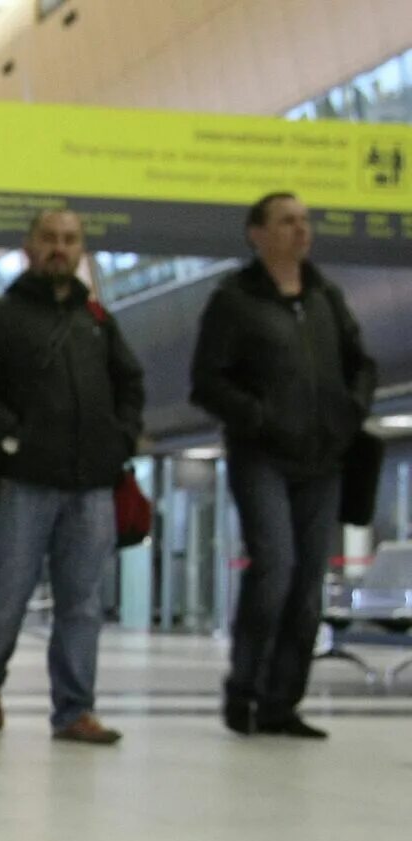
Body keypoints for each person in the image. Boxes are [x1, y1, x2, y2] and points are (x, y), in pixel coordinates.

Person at [0, 210, 143, 746]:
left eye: (71, 240)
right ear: (29, 247)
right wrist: (12, 435)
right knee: (9, 589)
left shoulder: (98, 322)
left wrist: (122, 437)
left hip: (92, 484)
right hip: (24, 481)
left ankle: (75, 710)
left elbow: (130, 382)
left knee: (82, 601)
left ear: (81, 250)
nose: (60, 248)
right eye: (50, 239)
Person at [191, 192, 376, 740]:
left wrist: (353, 407)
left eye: (305, 221)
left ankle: (281, 702)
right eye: (287, 221)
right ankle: (243, 690)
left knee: (308, 585)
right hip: (262, 455)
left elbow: (360, 362)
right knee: (275, 568)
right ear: (257, 234)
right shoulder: (234, 300)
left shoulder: (325, 297)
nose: (301, 230)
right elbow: (207, 381)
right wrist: (258, 415)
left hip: (323, 459)